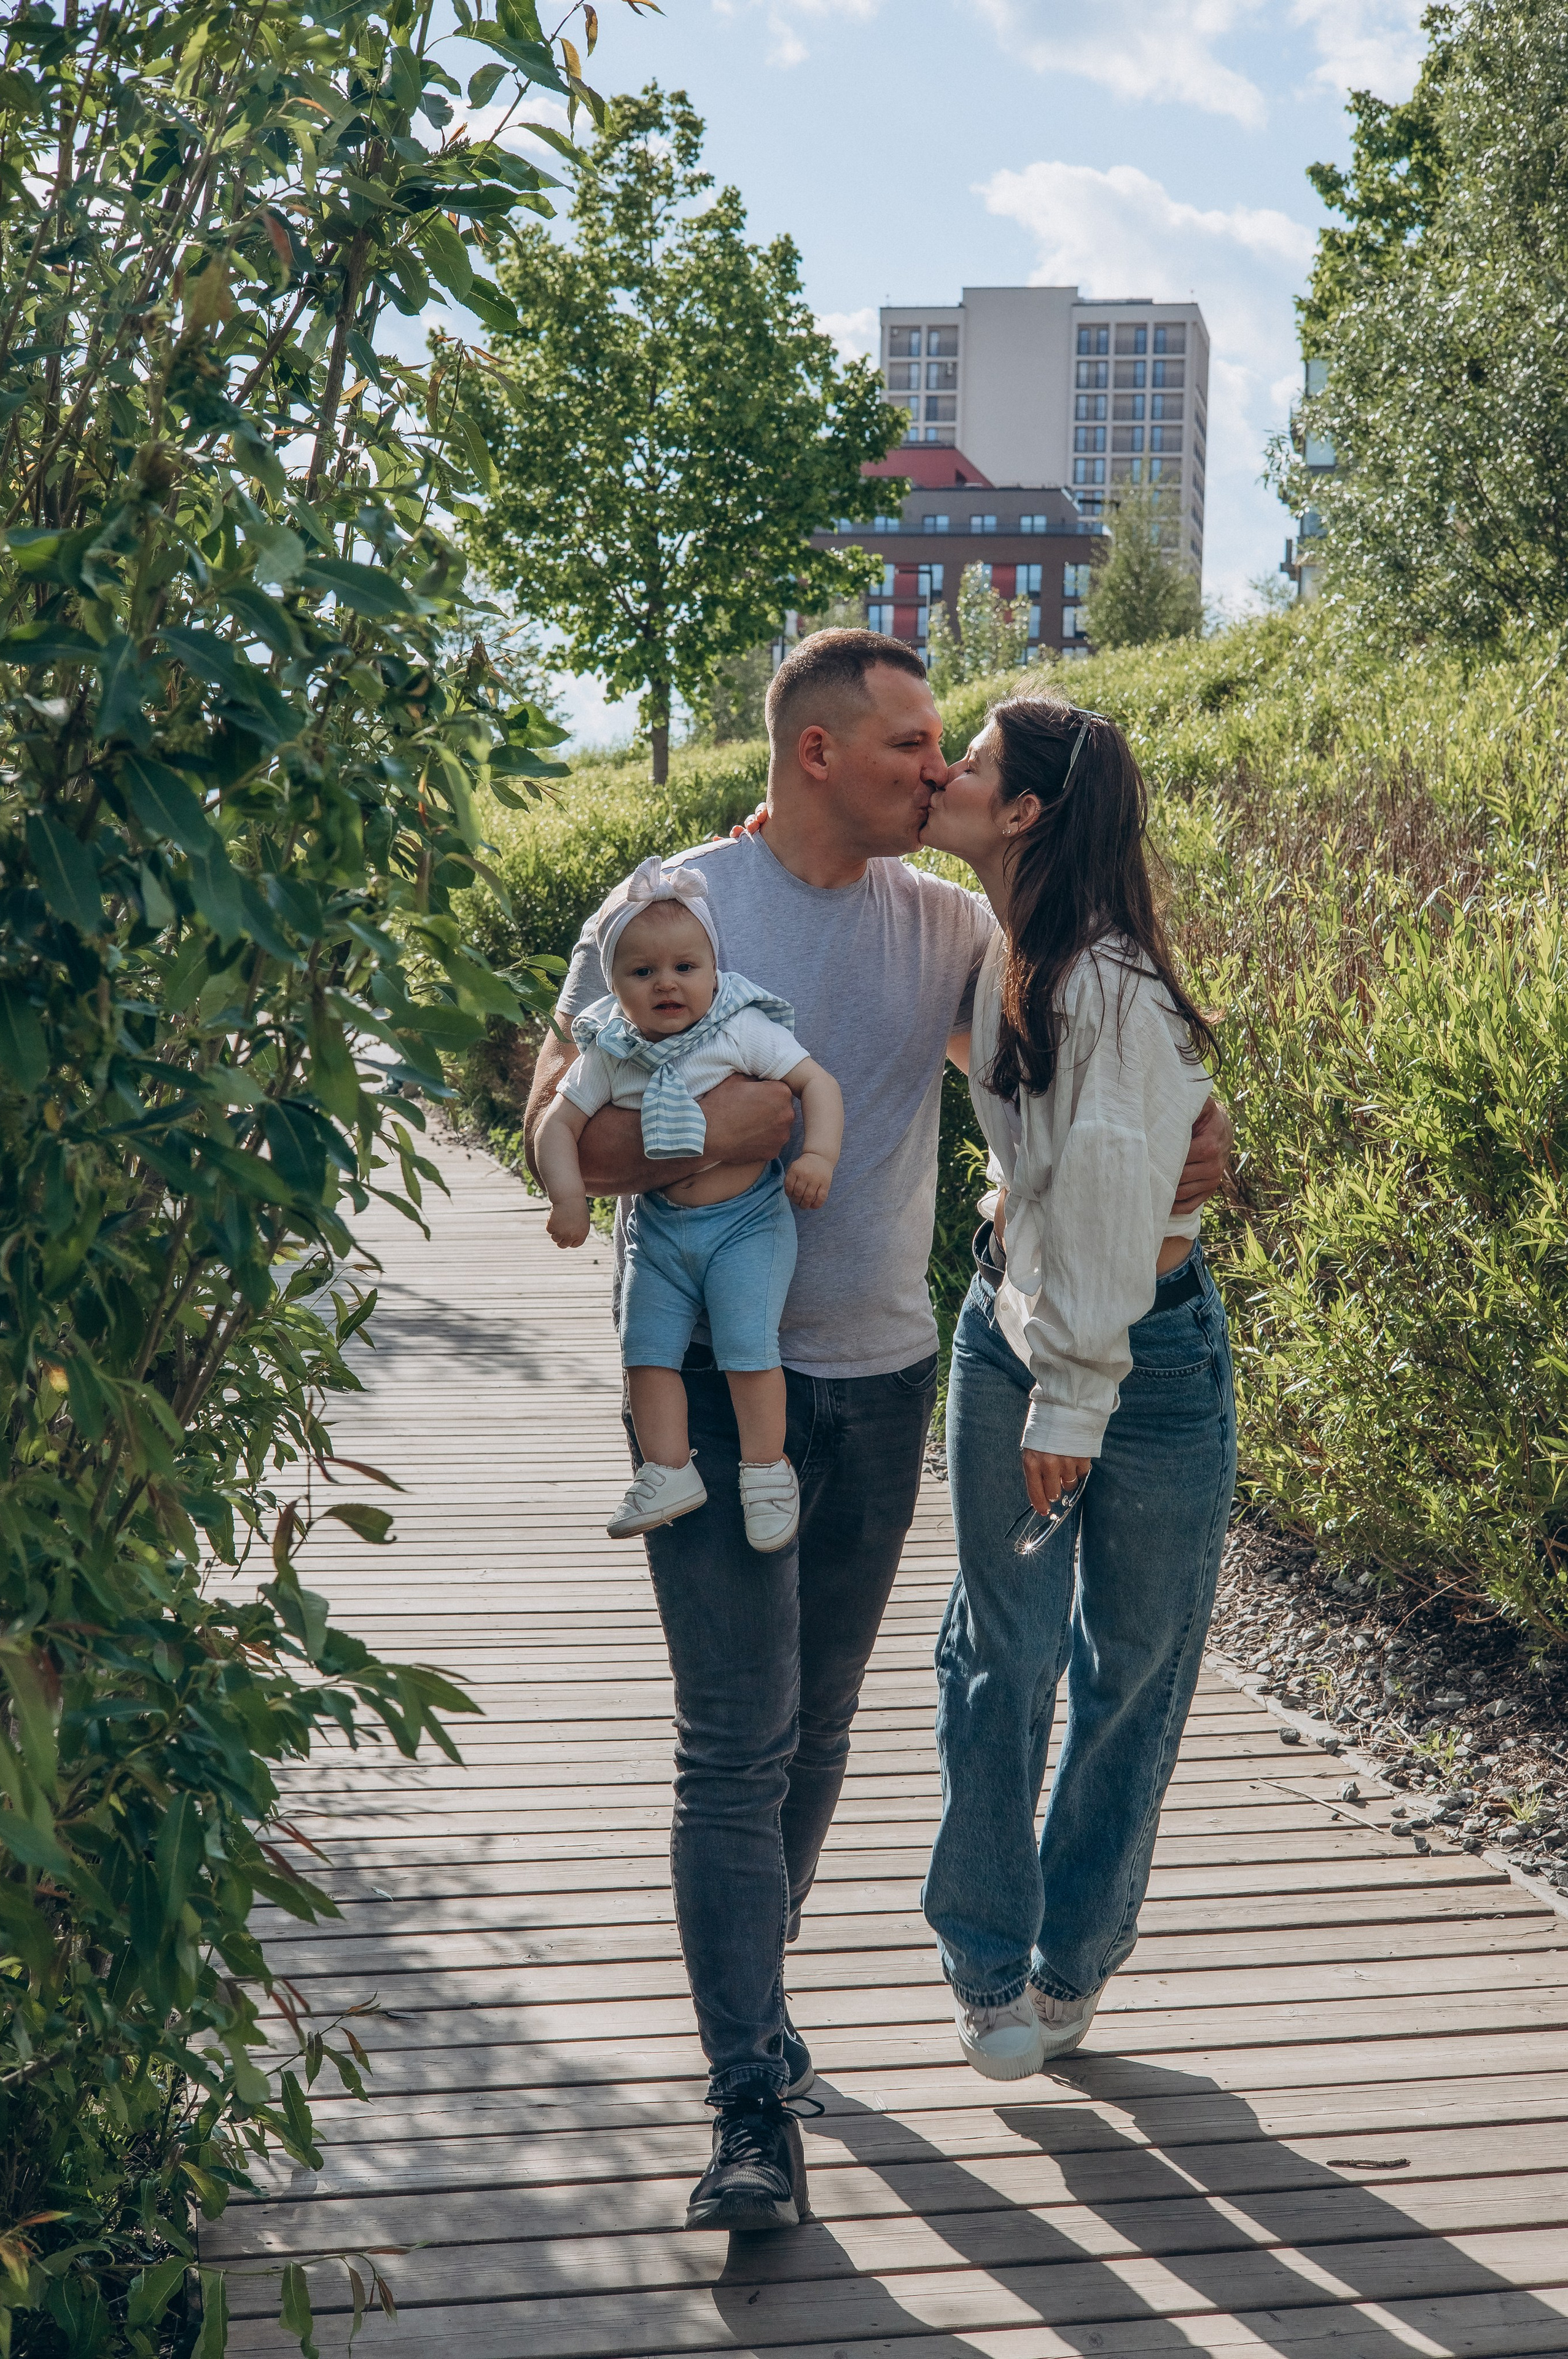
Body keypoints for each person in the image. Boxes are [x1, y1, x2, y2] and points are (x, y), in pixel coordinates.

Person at [523, 632, 1233, 2231]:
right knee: (736, 1739)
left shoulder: (952, 928)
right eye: (914, 743)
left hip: (887, 1374)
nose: (938, 769)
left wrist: (1197, 1113)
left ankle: (755, 2023)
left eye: (950, 747)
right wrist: (725, 1126)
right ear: (820, 755)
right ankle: (751, 2104)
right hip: (711, 1373)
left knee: (824, 1724)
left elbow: (1071, 1059)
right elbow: (553, 1106)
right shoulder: (675, 903)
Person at [919, 695, 1238, 2081]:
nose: (940, 771)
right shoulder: (1007, 952)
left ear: (1026, 811)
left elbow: (1115, 1194)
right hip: (1013, 1322)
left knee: (1132, 1663)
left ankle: (1069, 1959)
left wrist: (1073, 1397)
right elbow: (1040, 1134)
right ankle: (985, 1956)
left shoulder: (1101, 979)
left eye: (968, 763)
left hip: (1131, 1356)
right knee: (1002, 1653)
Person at [533, 854, 844, 1553]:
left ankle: (767, 1469)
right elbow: (557, 1123)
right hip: (660, 1231)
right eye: (642, 974)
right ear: (614, 988)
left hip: (745, 1226)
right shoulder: (611, 1050)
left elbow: (816, 1082)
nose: (666, 983)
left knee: (746, 1348)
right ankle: (667, 1469)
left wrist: (818, 1155)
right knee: (644, 1352)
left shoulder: (739, 1027)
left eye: (685, 967)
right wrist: (568, 1198)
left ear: (713, 970)